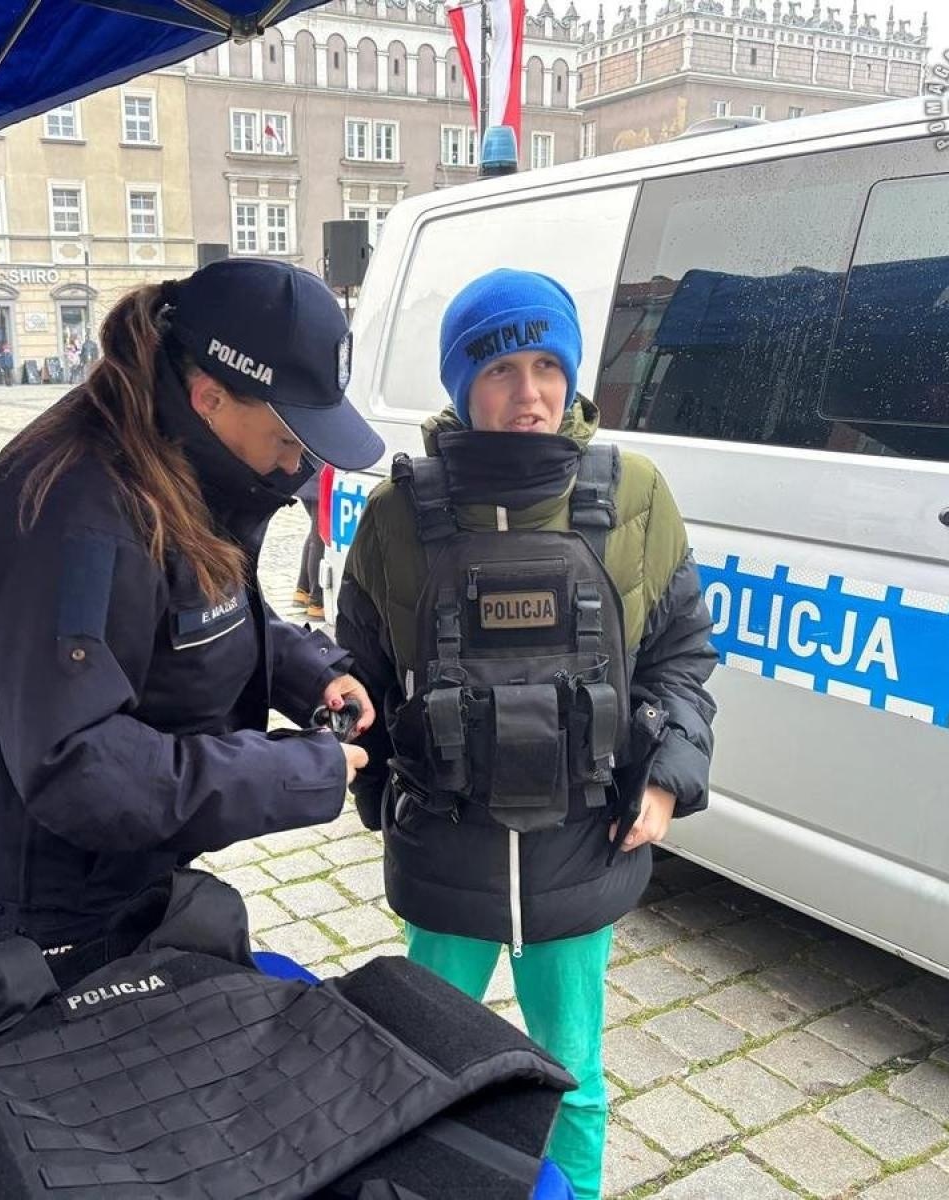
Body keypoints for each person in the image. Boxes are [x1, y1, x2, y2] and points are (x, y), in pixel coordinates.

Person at [335, 268, 717, 1198]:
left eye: (549, 366)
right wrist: (371, 787)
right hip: (446, 858)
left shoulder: (636, 495)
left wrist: (666, 776)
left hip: (580, 852)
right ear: (462, 383)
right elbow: (361, 673)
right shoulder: (396, 515)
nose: (530, 393)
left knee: (573, 1076)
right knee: (424, 1073)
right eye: (501, 369)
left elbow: (681, 655)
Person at [0, 258, 386, 988]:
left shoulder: (175, 449)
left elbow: (199, 605)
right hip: (49, 901)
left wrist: (307, 673)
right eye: (290, 436)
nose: (298, 461)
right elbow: (76, 762)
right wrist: (291, 770)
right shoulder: (73, 513)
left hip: (135, 861)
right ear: (209, 397)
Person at [293, 470, 325, 618]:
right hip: (321, 482)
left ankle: (302, 589)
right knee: (320, 536)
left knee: (316, 532)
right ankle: (317, 601)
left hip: (308, 479)